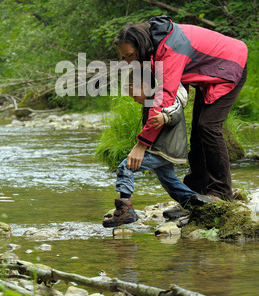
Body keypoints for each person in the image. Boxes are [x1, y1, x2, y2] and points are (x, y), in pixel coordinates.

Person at [114, 16, 248, 209]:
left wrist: (141, 146)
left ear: (141, 46)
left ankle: (221, 193)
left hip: (230, 65)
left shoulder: (170, 49)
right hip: (208, 74)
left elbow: (164, 98)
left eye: (129, 55)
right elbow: (155, 97)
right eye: (123, 57)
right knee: (197, 134)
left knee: (208, 126)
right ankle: (195, 195)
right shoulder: (153, 47)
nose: (127, 61)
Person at [102, 69, 213, 228]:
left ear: (144, 86)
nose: (134, 100)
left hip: (165, 148)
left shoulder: (163, 95)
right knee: (169, 180)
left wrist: (165, 116)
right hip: (161, 148)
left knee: (125, 167)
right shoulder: (150, 100)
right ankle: (196, 203)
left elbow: (176, 109)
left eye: (134, 94)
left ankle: (125, 211)